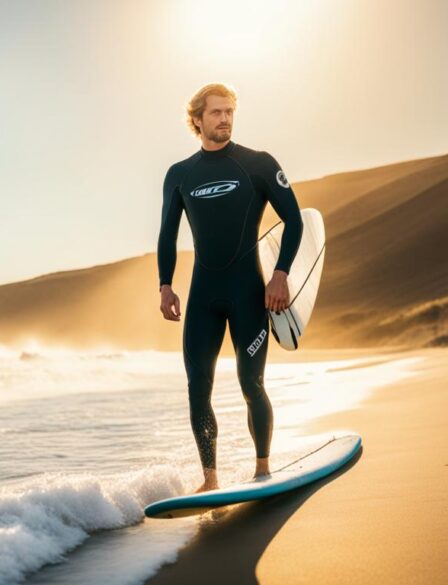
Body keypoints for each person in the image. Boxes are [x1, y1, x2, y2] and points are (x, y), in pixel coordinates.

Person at [156, 83, 303, 494]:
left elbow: (294, 219)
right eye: (216, 112)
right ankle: (210, 480)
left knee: (250, 382)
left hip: (248, 295)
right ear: (197, 119)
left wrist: (281, 273)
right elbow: (167, 236)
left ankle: (262, 470)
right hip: (203, 296)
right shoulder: (181, 175)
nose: (224, 119)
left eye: (229, 112)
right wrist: (165, 285)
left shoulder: (257, 164)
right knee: (197, 388)